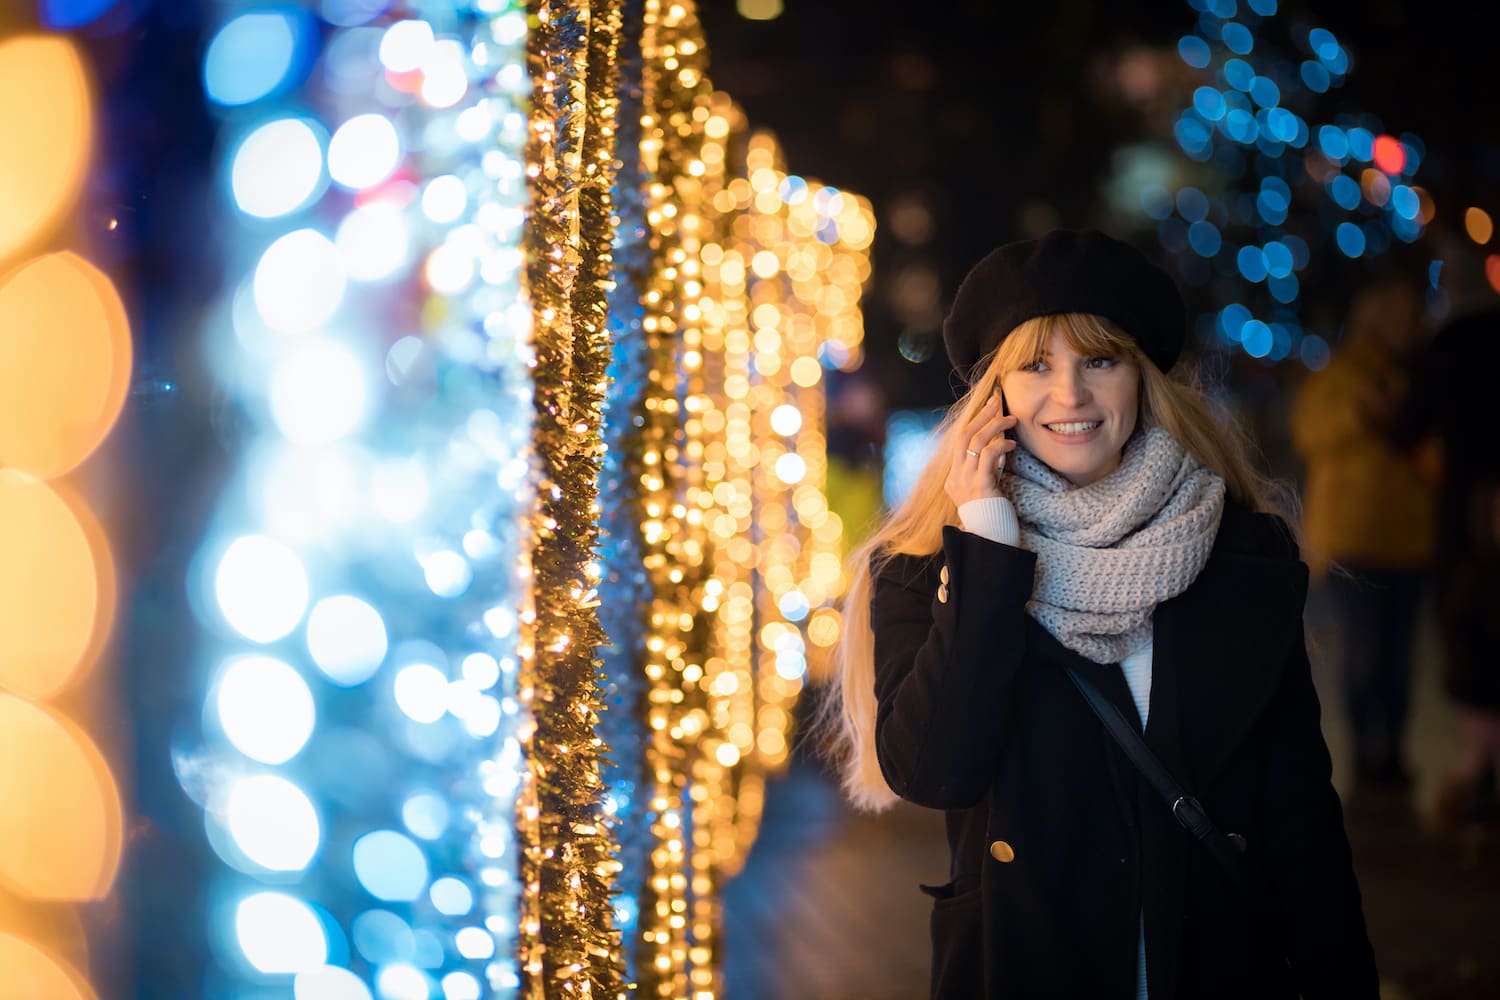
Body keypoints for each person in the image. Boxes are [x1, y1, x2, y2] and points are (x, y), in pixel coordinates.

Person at [829, 230, 1376, 999]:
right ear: (995, 397)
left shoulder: (1238, 554)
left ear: (1141, 378)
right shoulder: (930, 573)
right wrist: (987, 545)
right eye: (1035, 366)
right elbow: (934, 771)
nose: (1071, 396)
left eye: (1100, 360)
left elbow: (1302, 819)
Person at [1289, 277, 1434, 789]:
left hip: (1410, 542)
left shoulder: (1417, 379)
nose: (1411, 326)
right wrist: (1362, 412)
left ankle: (1391, 751)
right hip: (1353, 542)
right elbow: (1308, 431)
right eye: (1401, 316)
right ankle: (1364, 755)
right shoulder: (1342, 376)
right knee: (1366, 653)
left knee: (1399, 658)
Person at [1399, 308, 1500, 829]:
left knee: (1469, 629)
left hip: (1464, 512)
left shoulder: (1450, 346)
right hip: (1467, 513)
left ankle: (1479, 764)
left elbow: (1407, 426)